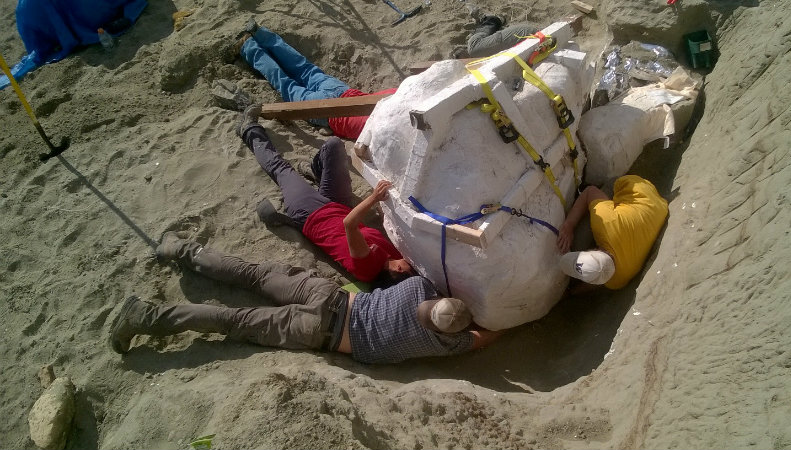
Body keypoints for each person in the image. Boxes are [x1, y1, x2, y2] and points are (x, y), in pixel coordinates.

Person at [108, 234, 502, 364]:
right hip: (321, 333)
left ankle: (179, 249)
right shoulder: (445, 341)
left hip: (330, 297)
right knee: (233, 321)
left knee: (251, 274)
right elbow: (487, 336)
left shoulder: (417, 290)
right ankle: (145, 317)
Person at [237, 104, 413, 284]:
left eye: (409, 268)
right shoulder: (395, 257)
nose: (410, 264)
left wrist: (374, 197)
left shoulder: (368, 268)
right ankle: (316, 172)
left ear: (399, 269)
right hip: (339, 206)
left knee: (280, 169)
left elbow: (349, 224)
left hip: (312, 215)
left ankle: (249, 130)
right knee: (334, 145)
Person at [236, 20, 395, 140]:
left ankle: (260, 34)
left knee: (304, 68)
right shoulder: (386, 132)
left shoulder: (401, 98)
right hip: (326, 112)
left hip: (340, 90)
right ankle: (248, 46)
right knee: (285, 84)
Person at [556, 175, 669, 289]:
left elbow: (596, 276)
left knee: (579, 242)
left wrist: (575, 292)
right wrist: (568, 226)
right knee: (578, 242)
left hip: (658, 207)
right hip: (635, 187)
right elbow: (589, 192)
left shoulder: (617, 282)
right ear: (595, 250)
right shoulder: (605, 222)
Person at [451, 12, 539, 59]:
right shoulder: (474, 46)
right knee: (488, 29)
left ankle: (492, 20)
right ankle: (493, 20)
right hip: (528, 33)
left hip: (529, 36)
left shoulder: (474, 49)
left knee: (488, 29)